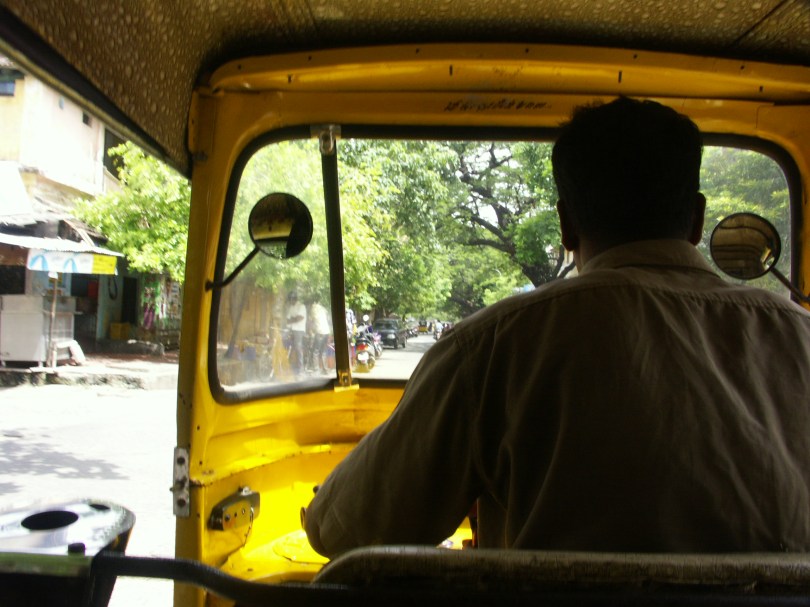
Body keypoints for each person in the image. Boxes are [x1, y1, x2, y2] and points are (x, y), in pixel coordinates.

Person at [304, 97, 810, 558]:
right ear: (698, 220)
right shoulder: (801, 336)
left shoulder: (496, 345)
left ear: (567, 226)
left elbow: (343, 531)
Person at [285, 291, 307, 375]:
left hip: (299, 330)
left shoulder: (301, 306)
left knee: (298, 348)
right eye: (290, 300)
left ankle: (301, 369)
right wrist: (293, 320)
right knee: (288, 346)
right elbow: (288, 319)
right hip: (291, 330)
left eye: (291, 299)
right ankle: (290, 366)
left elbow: (300, 318)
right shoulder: (291, 307)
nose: (290, 301)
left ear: (295, 299)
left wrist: (292, 320)